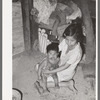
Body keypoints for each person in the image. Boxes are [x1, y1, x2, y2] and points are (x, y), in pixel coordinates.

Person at [43, 23, 83, 92]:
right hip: (58, 65)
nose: (69, 43)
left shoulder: (77, 52)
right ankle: (51, 75)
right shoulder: (65, 41)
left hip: (66, 73)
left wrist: (50, 71)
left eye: (72, 41)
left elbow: (65, 66)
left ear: (78, 39)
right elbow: (56, 51)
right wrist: (47, 61)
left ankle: (67, 84)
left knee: (43, 82)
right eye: (67, 39)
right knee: (39, 67)